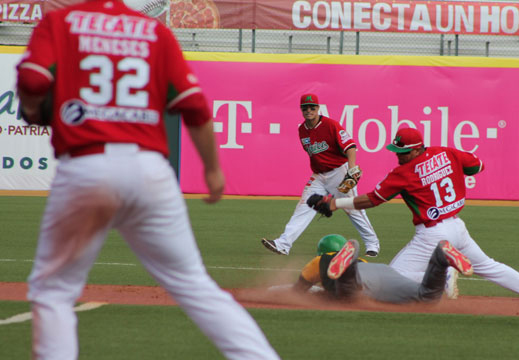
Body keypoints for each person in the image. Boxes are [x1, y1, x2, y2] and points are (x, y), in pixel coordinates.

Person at [16, 1, 280, 359]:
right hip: (149, 170)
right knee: (195, 286)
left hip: (85, 167)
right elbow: (195, 106)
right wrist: (213, 170)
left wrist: (33, 110)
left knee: (54, 291)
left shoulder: (60, 22)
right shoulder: (153, 30)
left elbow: (33, 79)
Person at [307, 127, 519, 301]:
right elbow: (478, 165)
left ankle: (443, 276)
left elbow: (372, 200)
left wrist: (334, 204)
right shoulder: (447, 153)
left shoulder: (403, 173)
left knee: (392, 278)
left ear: (417, 149)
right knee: (489, 267)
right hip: (457, 227)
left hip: (432, 233)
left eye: (403, 152)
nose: (399, 157)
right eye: (397, 152)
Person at [261, 94, 380, 257]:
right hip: (318, 176)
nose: (309, 110)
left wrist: (351, 168)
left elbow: (350, 146)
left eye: (312, 107)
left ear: (318, 108)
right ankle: (283, 244)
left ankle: (372, 244)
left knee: (352, 208)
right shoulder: (302, 129)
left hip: (339, 171)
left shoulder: (330, 125)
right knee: (304, 206)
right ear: (301, 110)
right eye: (305, 107)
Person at [292, 234, 473, 304]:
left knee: (348, 291)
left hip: (357, 276)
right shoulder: (365, 261)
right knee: (428, 296)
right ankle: (440, 257)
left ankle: (352, 248)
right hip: (382, 272)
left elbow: (297, 292)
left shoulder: (318, 261)